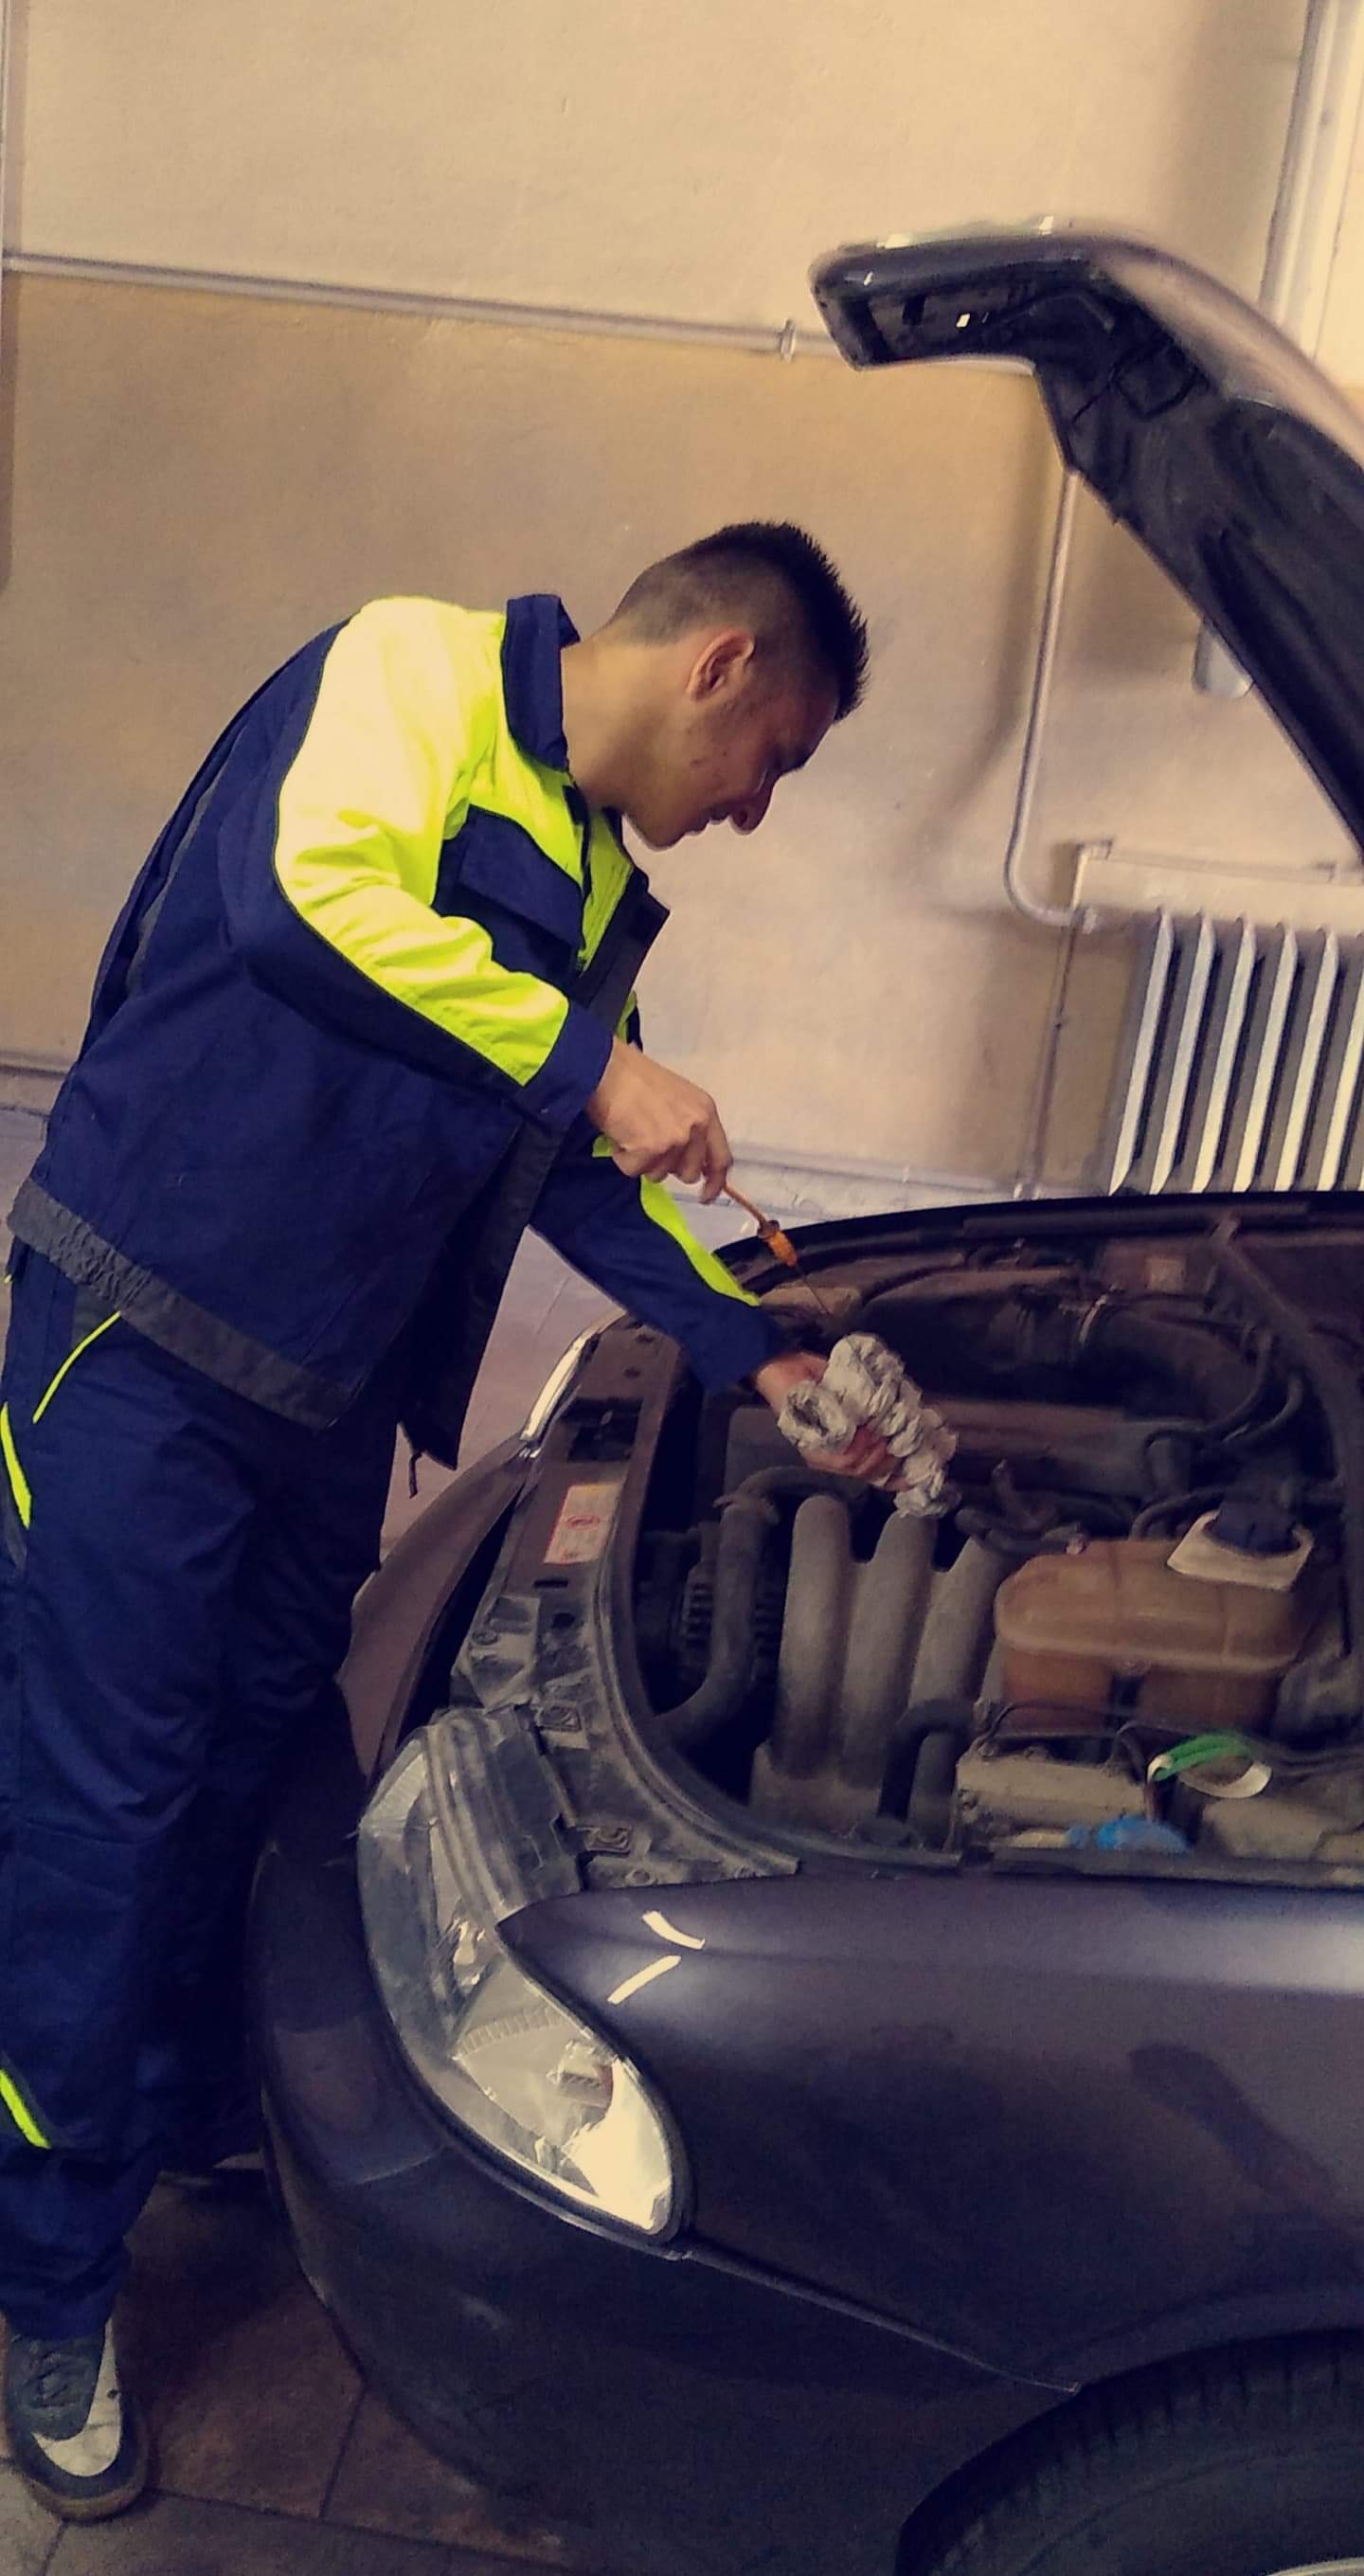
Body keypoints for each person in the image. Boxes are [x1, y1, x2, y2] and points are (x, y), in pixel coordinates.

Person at [0, 519, 875, 2519]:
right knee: (99, 1818)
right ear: (722, 667)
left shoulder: (594, 883)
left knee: (241, 1782)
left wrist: (749, 1348)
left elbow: (550, 1161)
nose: (752, 812)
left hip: (322, 1394)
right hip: (140, 1347)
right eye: (776, 763)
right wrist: (592, 1062)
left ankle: (166, 2107)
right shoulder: (411, 674)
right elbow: (305, 903)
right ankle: (48, 2283)